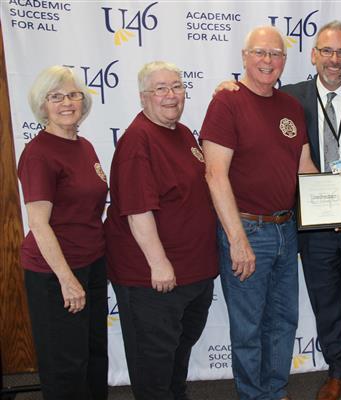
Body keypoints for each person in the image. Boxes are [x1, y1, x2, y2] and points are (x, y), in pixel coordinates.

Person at [214, 20, 341, 400]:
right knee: (325, 301)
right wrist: (225, 85)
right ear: (313, 56)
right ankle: (337, 370)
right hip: (309, 226)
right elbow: (254, 106)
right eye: (327, 51)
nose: (335, 59)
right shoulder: (291, 98)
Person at [200, 26, 317, 400]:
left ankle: (276, 391)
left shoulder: (290, 107)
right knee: (249, 327)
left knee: (283, 321)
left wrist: (338, 205)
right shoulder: (227, 103)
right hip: (247, 230)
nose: (268, 61)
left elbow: (305, 168)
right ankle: (253, 395)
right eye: (260, 53)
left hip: (287, 229)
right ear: (245, 57)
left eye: (276, 54)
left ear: (285, 60)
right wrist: (237, 240)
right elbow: (215, 175)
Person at [104, 61, 218, 400]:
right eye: (161, 89)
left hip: (193, 272)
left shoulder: (182, 133)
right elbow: (138, 210)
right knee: (153, 363)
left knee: (176, 354)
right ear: (143, 97)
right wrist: (159, 263)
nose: (171, 95)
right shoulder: (137, 142)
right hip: (153, 279)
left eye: (177, 87)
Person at [18, 66, 108, 400]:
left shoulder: (84, 146)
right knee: (65, 365)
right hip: (55, 272)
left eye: (72, 95)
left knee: (94, 356)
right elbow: (39, 224)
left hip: (92, 262)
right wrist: (67, 280)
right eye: (55, 97)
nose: (66, 103)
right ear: (42, 106)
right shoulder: (39, 154)